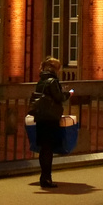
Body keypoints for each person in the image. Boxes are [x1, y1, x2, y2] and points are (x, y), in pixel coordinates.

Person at [31, 57, 66, 189]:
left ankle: (43, 177)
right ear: (54, 69)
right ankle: (47, 178)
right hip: (50, 118)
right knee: (48, 149)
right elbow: (59, 97)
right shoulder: (52, 81)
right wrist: (69, 94)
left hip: (41, 117)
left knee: (43, 148)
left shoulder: (41, 80)